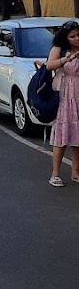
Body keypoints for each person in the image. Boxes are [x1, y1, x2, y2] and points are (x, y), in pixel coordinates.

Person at [45, 21, 79, 186]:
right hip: (65, 95)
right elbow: (49, 66)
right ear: (65, 38)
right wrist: (67, 58)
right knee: (62, 135)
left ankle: (76, 172)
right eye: (72, 36)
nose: (76, 39)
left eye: (78, 35)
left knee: (77, 135)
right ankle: (55, 174)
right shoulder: (59, 49)